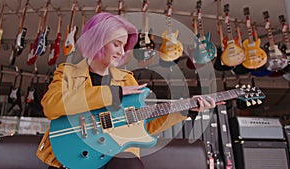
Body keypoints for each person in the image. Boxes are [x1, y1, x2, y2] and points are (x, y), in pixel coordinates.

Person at [36, 12, 218, 169]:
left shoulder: (127, 79)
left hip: (114, 156)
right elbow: (52, 106)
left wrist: (186, 110)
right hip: (73, 154)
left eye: (124, 46)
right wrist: (113, 94)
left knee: (129, 164)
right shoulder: (67, 72)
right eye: (116, 44)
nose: (121, 52)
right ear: (97, 41)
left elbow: (144, 125)